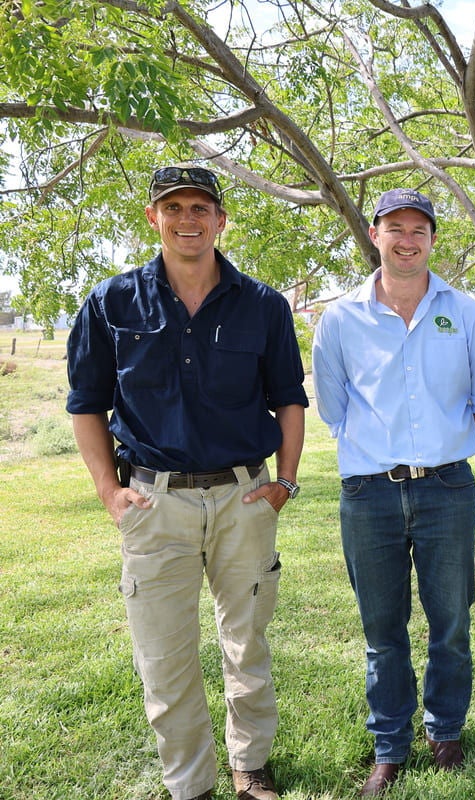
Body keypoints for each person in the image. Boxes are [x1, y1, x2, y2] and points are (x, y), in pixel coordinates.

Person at [66, 164, 307, 800]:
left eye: (200, 208)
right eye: (173, 207)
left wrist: (284, 483)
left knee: (246, 644)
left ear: (220, 220)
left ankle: (250, 766)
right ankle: (190, 784)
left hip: (243, 498)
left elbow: (288, 399)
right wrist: (109, 493)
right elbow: (86, 404)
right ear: (154, 218)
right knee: (164, 656)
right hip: (155, 502)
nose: (187, 219)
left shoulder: (264, 306)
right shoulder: (111, 303)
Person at [312, 188, 475, 796]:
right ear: (375, 235)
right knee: (382, 629)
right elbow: (333, 408)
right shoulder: (341, 319)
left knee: (451, 622)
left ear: (433, 239)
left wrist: (442, 450)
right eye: (395, 228)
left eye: (419, 229)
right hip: (369, 494)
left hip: (447, 489)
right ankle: (390, 744)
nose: (407, 240)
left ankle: (445, 730)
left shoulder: (466, 314)